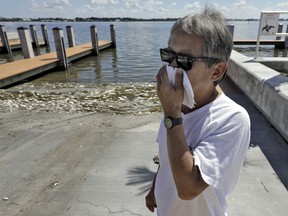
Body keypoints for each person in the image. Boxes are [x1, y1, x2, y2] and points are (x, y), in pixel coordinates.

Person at [145, 5, 251, 216]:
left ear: (217, 71)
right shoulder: (178, 103)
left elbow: (189, 188)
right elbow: (166, 155)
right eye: (169, 55)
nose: (173, 66)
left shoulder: (232, 119)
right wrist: (155, 187)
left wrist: (172, 115)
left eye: (185, 60)